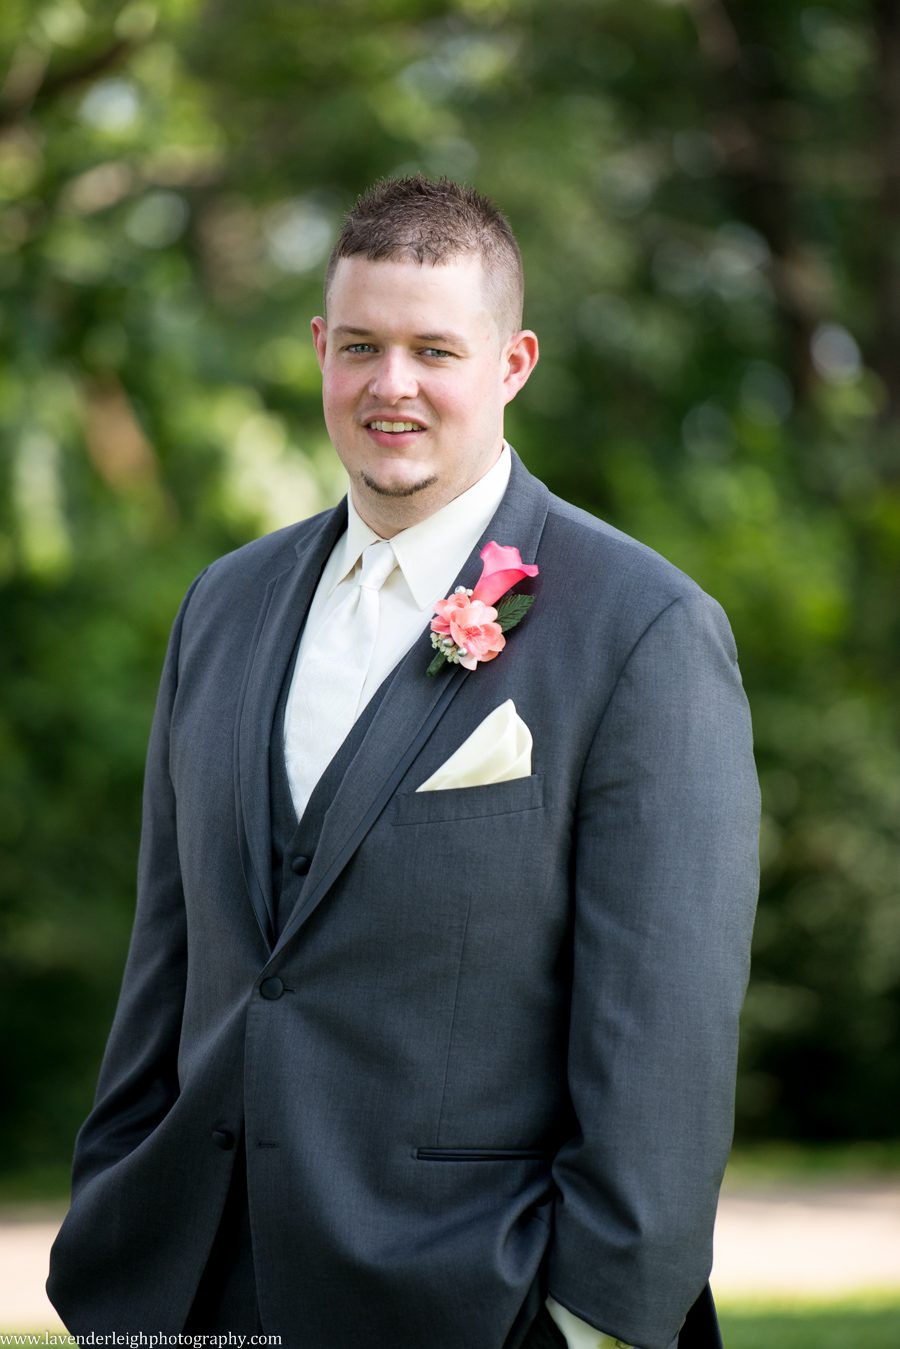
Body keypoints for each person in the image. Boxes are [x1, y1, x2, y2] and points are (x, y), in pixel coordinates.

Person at [48, 175, 760, 1349]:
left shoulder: (643, 630)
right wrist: (113, 1238)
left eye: (437, 348)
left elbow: (664, 1034)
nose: (394, 385)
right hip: (189, 1292)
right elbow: (168, 961)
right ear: (321, 348)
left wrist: (592, 1323)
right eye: (363, 345)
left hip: (475, 1300)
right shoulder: (221, 606)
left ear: (512, 363)